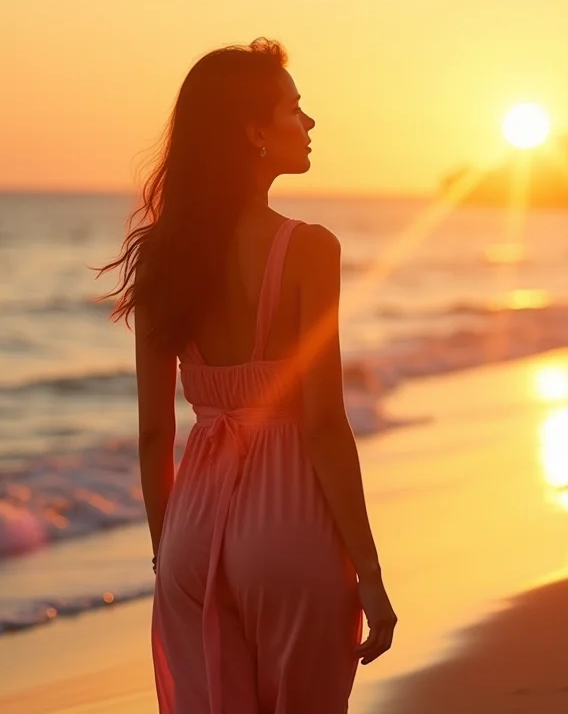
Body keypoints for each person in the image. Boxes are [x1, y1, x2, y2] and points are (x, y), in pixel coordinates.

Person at [99, 38, 396, 713]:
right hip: (287, 526)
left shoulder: (159, 255)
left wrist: (168, 556)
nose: (310, 122)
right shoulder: (309, 250)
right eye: (295, 108)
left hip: (191, 535)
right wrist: (371, 576)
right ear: (254, 132)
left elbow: (153, 434)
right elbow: (322, 425)